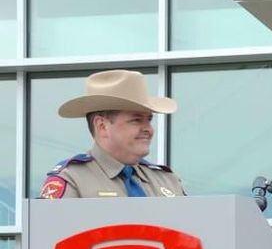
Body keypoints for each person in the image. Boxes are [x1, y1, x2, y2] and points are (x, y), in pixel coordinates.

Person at [38, 69, 186, 199]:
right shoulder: (72, 180)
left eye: (149, 120)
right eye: (136, 120)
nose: (148, 129)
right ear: (102, 126)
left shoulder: (167, 180)